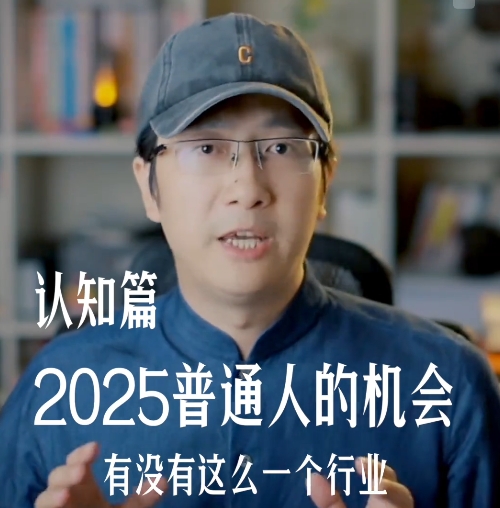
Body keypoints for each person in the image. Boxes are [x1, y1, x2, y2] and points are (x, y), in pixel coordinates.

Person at [0, 12, 499, 508]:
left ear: (325, 181)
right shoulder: (57, 390)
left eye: (281, 147)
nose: (247, 189)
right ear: (148, 186)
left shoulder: (450, 387)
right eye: (205, 147)